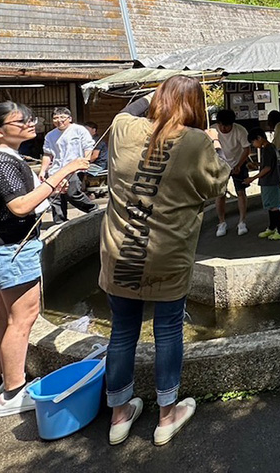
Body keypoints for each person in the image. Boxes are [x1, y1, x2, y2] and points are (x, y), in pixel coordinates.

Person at [100, 76, 230, 446]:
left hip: (120, 252)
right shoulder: (197, 142)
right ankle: (166, 417)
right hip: (167, 255)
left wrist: (156, 93)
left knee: (122, 332)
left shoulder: (124, 128)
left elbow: (130, 110)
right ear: (196, 106)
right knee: (168, 332)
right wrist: (215, 144)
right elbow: (219, 182)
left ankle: (119, 416)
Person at [0, 102, 90, 417]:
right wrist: (64, 170)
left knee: (2, 317)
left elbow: (24, 202)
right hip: (11, 251)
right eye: (20, 120)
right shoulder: (1, 162)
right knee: (21, 321)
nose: (28, 122)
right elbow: (20, 207)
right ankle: (13, 392)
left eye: (29, 118)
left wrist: (50, 188)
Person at [40, 107, 96, 223]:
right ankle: (60, 221)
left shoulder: (79, 130)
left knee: (72, 193)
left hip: (75, 168)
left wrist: (86, 161)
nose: (59, 120)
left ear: (69, 118)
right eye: (55, 118)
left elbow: (88, 147)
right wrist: (43, 171)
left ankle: (93, 210)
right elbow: (47, 154)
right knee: (55, 196)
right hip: (56, 169)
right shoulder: (50, 135)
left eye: (62, 117)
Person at [213, 109, 251, 237]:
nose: (223, 128)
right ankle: (221, 222)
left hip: (238, 162)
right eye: (221, 125)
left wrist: (239, 165)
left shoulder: (240, 130)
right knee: (220, 195)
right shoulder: (212, 131)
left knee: (241, 192)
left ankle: (242, 222)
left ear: (232, 124)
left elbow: (247, 149)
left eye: (226, 125)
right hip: (220, 166)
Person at [243, 129, 280, 240]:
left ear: (259, 138)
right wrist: (257, 165)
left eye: (253, 142)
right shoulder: (271, 147)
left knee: (274, 207)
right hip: (271, 180)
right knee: (271, 206)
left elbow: (267, 168)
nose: (253, 145)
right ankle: (272, 227)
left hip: (270, 181)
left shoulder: (267, 149)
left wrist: (252, 178)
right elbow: (268, 164)